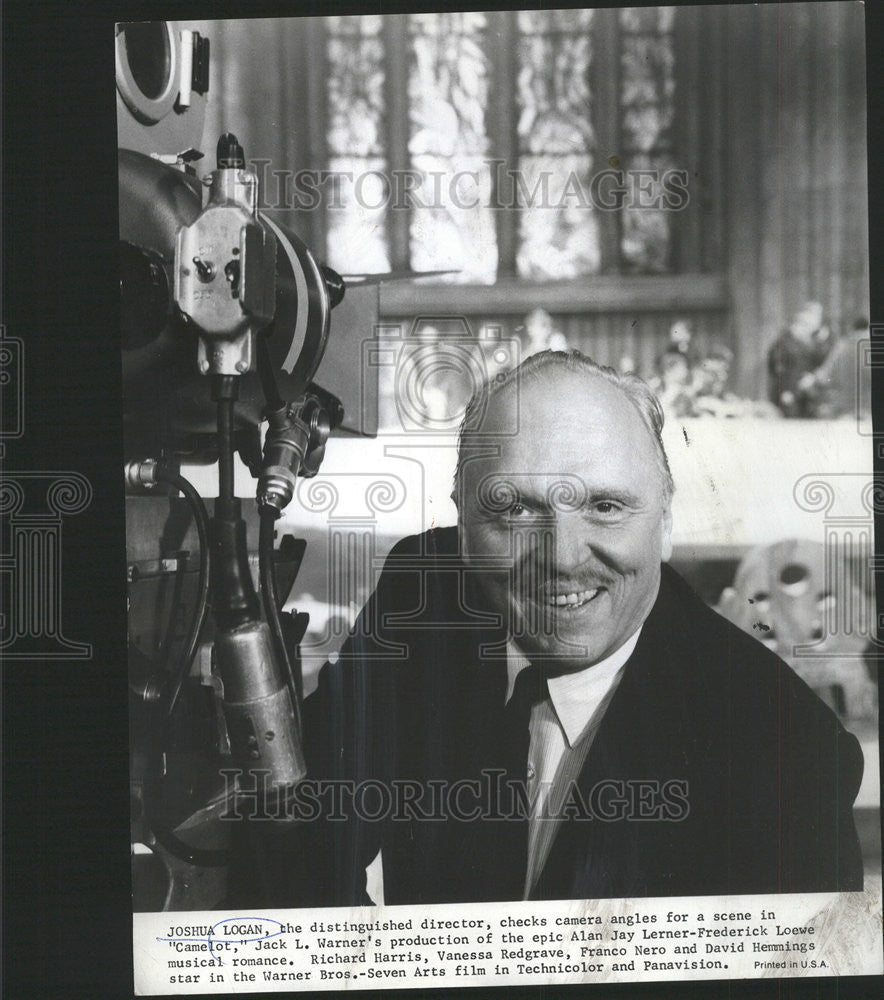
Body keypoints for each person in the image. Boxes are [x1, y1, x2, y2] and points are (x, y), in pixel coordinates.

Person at [230, 350, 863, 907]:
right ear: (460, 521)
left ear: (665, 523)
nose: (561, 557)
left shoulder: (788, 754)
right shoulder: (425, 588)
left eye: (605, 506)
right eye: (514, 509)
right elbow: (299, 825)